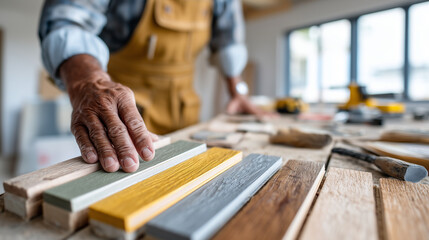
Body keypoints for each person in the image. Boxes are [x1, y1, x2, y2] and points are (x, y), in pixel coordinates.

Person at [39, 0, 271, 173]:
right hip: (120, 111)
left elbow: (227, 41)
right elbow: (66, 22)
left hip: (185, 109)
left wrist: (238, 91)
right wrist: (89, 83)